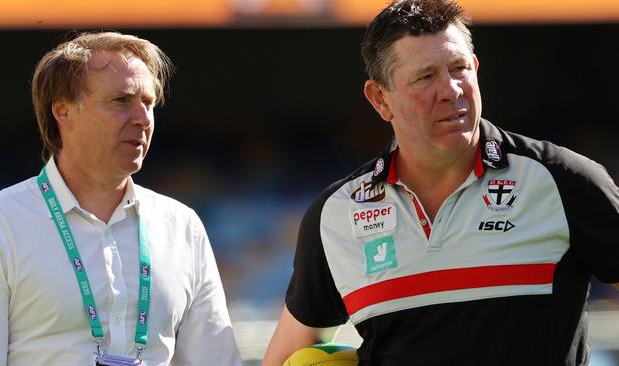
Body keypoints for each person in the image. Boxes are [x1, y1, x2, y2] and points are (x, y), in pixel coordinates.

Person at [263, 0, 619, 365]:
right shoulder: (336, 215)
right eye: (425, 77)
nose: (450, 90)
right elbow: (285, 356)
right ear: (380, 99)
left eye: (459, 68)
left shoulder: (564, 180)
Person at [0, 31, 242, 366]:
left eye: (149, 103)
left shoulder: (182, 226)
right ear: (63, 111)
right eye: (121, 101)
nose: (143, 118)